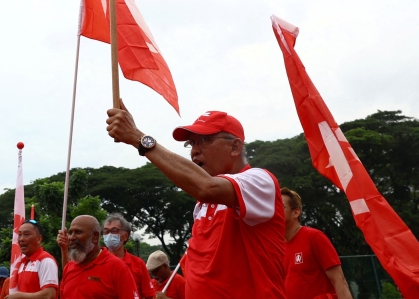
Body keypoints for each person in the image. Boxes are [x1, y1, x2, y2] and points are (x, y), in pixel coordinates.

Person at [106, 107, 285, 298]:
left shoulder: (259, 180)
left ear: (235, 146)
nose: (194, 151)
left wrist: (138, 138)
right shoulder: (203, 204)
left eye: (205, 140)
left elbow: (206, 187)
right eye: (191, 143)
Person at [281, 188, 352, 299]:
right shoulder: (277, 247)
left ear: (296, 212)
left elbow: (339, 280)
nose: (274, 211)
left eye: (281, 206)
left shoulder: (314, 237)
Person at [57, 215, 138, 299]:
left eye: (78, 232)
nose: (72, 237)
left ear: (95, 236)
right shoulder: (68, 268)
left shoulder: (118, 267)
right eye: (71, 233)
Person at [102, 214, 155, 298]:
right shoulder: (96, 261)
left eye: (114, 230)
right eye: (106, 231)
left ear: (125, 236)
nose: (109, 235)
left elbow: (149, 295)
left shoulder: (138, 264)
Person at [7, 221, 58, 299]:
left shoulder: (46, 260)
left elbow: (49, 295)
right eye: (19, 235)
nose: (21, 239)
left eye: (27, 234)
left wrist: (20, 296)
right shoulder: (21, 263)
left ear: (39, 239)